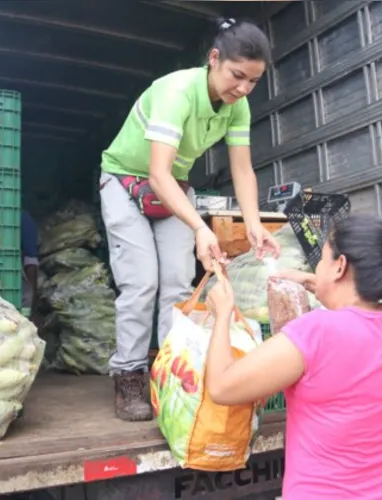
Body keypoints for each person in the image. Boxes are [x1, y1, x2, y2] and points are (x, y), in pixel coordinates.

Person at [98, 18, 281, 421]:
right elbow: (158, 173)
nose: (244, 89)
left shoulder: (238, 106)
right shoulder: (177, 91)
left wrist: (253, 226)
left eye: (253, 82)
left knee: (179, 285)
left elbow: (243, 170)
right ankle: (128, 375)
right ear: (214, 59)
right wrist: (199, 227)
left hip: (174, 187)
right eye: (237, 76)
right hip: (127, 181)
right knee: (141, 281)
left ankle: (168, 373)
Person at [204, 214, 382, 499]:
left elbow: (222, 387)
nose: (318, 267)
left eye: (322, 260)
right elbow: (357, 314)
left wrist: (223, 313)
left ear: (340, 266)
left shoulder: (315, 333)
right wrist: (319, 283)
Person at [20, 209, 40, 323]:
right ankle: (26, 319)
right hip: (14, 271)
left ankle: (26, 318)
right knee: (26, 298)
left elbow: (30, 259)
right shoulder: (23, 216)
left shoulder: (21, 217)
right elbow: (31, 259)